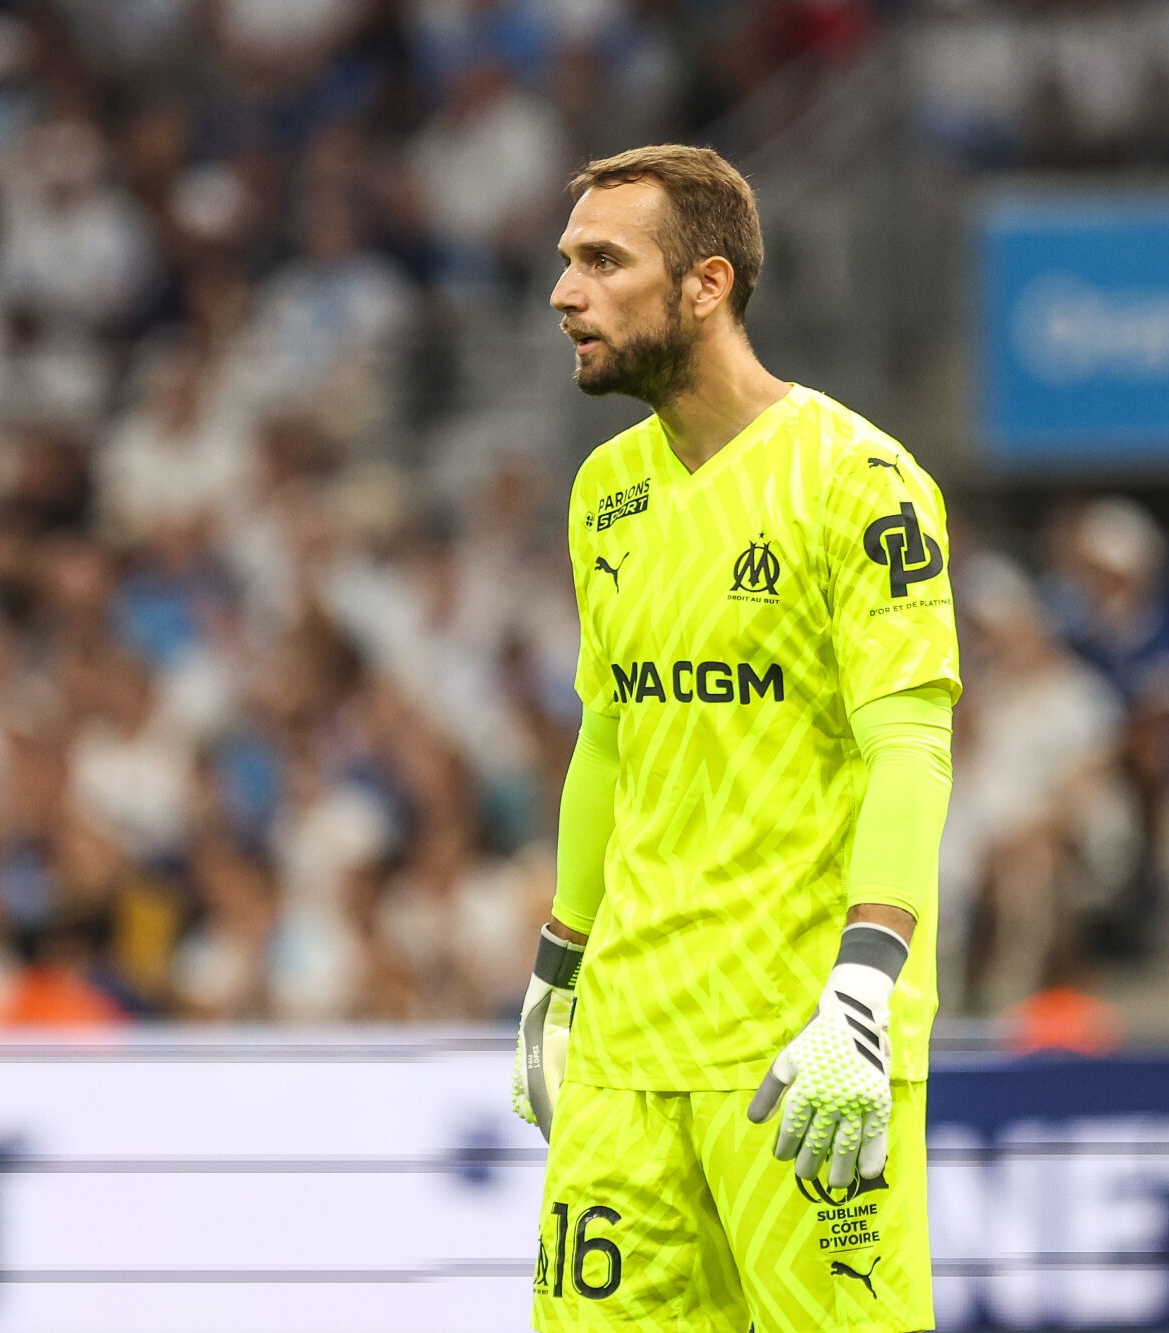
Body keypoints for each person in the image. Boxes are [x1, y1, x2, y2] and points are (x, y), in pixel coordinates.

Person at [513, 146, 957, 1333]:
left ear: (705, 284)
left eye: (603, 262)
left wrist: (863, 989)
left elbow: (908, 746)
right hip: (624, 1047)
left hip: (799, 1050)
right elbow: (609, 737)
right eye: (566, 262)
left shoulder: (859, 483)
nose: (565, 293)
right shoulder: (602, 492)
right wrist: (558, 969)